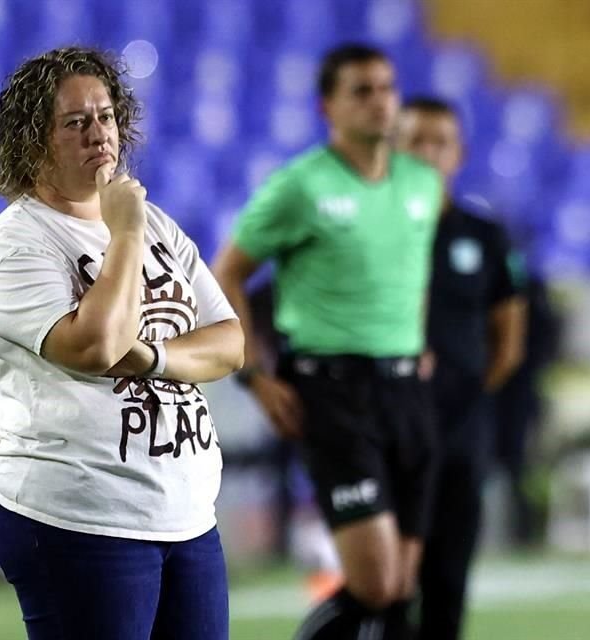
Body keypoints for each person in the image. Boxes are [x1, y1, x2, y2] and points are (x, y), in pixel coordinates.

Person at [0, 46, 243, 640]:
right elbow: (94, 347)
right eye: (75, 122)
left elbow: (228, 343)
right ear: (32, 141)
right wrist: (122, 234)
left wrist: (154, 358)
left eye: (107, 116)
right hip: (79, 513)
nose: (99, 134)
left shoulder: (154, 222)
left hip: (185, 514)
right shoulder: (15, 247)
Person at [213, 44, 443, 639]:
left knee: (398, 590)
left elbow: (408, 271)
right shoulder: (301, 186)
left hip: (407, 392)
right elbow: (227, 274)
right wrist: (255, 375)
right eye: (361, 91)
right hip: (334, 393)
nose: (379, 101)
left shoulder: (422, 184)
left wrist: (414, 338)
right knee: (374, 581)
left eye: (386, 88)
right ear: (328, 107)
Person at [395, 97, 527, 640]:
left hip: (461, 432)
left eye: (440, 141)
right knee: (387, 584)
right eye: (416, 140)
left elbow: (508, 343)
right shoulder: (373, 232)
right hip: (390, 428)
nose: (428, 152)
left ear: (460, 153)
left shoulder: (486, 236)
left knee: (448, 582)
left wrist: (461, 396)